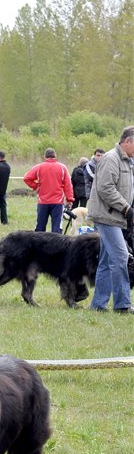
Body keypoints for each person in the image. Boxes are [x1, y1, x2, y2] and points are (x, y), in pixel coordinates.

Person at [88, 126, 134, 314]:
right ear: (128, 141)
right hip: (107, 216)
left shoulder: (127, 161)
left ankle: (98, 305)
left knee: (107, 261)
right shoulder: (111, 159)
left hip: (116, 217)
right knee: (121, 257)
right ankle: (122, 304)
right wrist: (126, 208)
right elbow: (105, 188)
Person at [23, 148, 74, 233]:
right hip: (58, 202)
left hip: (43, 201)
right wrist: (70, 199)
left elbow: (27, 178)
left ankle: (39, 245)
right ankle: (56, 245)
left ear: (45, 157)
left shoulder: (39, 167)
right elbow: (68, 185)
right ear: (55, 156)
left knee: (40, 227)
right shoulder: (62, 167)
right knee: (57, 227)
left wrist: (35, 186)